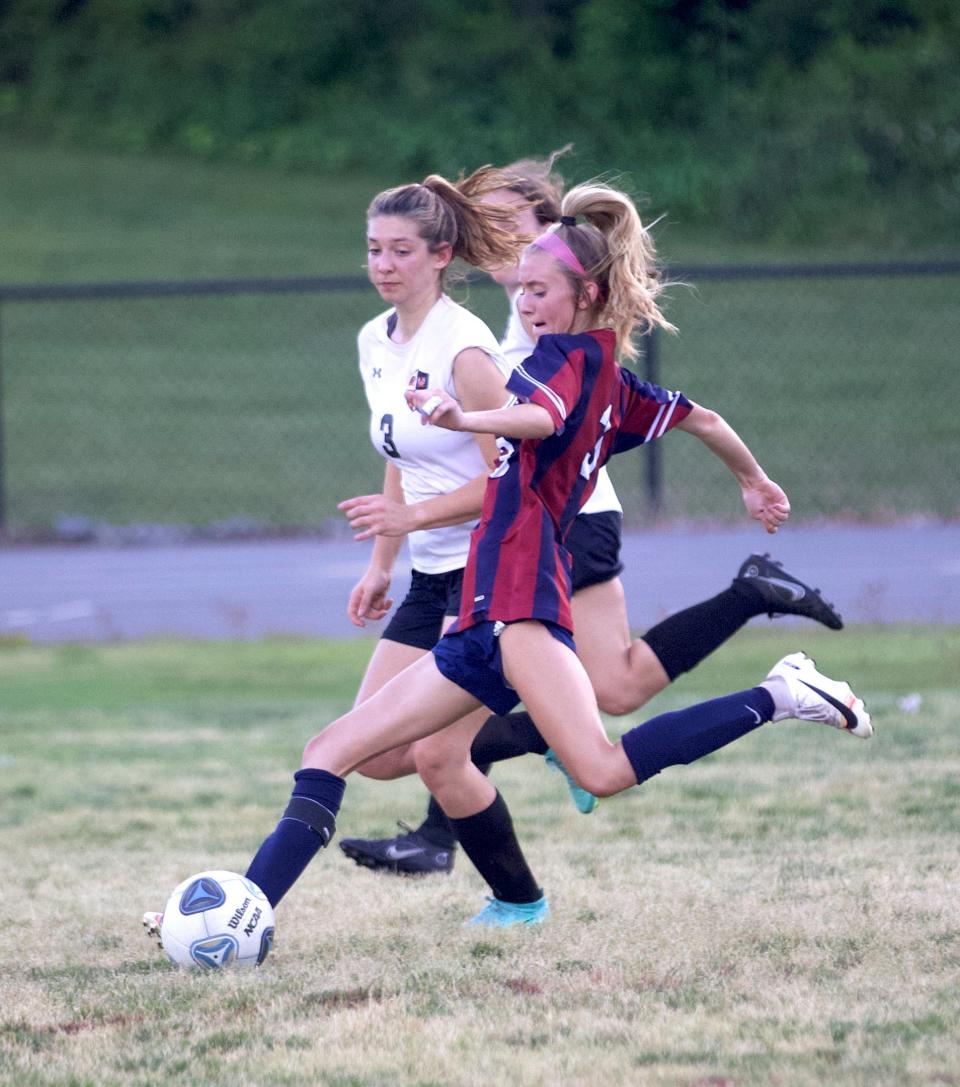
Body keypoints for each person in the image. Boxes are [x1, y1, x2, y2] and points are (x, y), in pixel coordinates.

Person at [142, 180, 869, 936]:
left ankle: (782, 693)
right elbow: (705, 418)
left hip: (520, 607)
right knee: (331, 748)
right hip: (482, 614)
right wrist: (752, 479)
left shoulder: (563, 365)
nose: (523, 302)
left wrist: (467, 415)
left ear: (585, 292)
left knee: (604, 767)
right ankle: (248, 911)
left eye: (539, 289)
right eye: (519, 287)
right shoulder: (620, 384)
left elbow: (535, 416)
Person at [337, 153, 844, 879]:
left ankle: (470, 825)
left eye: (517, 226)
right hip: (536, 513)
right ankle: (748, 603)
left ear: (562, 250)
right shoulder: (515, 308)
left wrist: (460, 423)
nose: (506, 246)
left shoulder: (543, 329)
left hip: (561, 520)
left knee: (553, 703)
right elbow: (415, 433)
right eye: (498, 228)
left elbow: (535, 423)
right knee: (613, 686)